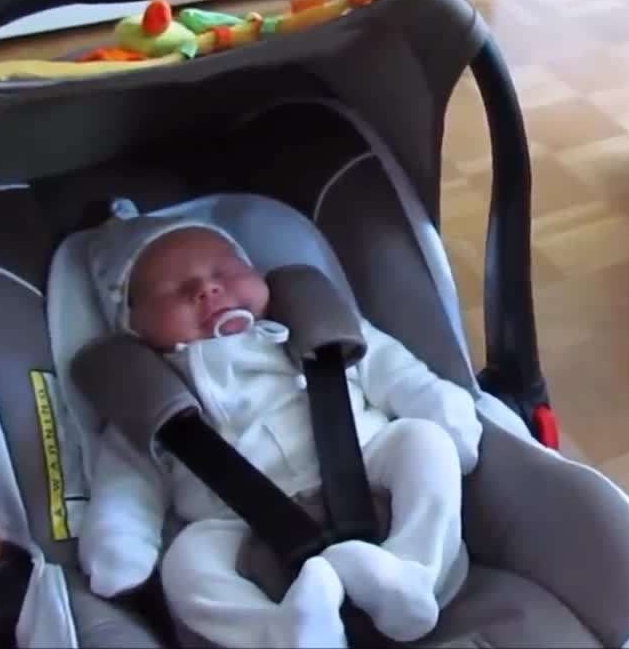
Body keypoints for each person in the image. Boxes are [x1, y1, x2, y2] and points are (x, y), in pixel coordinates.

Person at [75, 214, 482, 648]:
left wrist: (446, 412)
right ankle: (286, 631)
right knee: (186, 563)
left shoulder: (315, 335)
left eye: (224, 271)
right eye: (174, 291)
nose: (207, 290)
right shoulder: (148, 398)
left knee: (423, 442)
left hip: (365, 463)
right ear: (133, 325)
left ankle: (409, 573)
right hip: (240, 524)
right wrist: (119, 548)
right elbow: (126, 484)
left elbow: (397, 373)